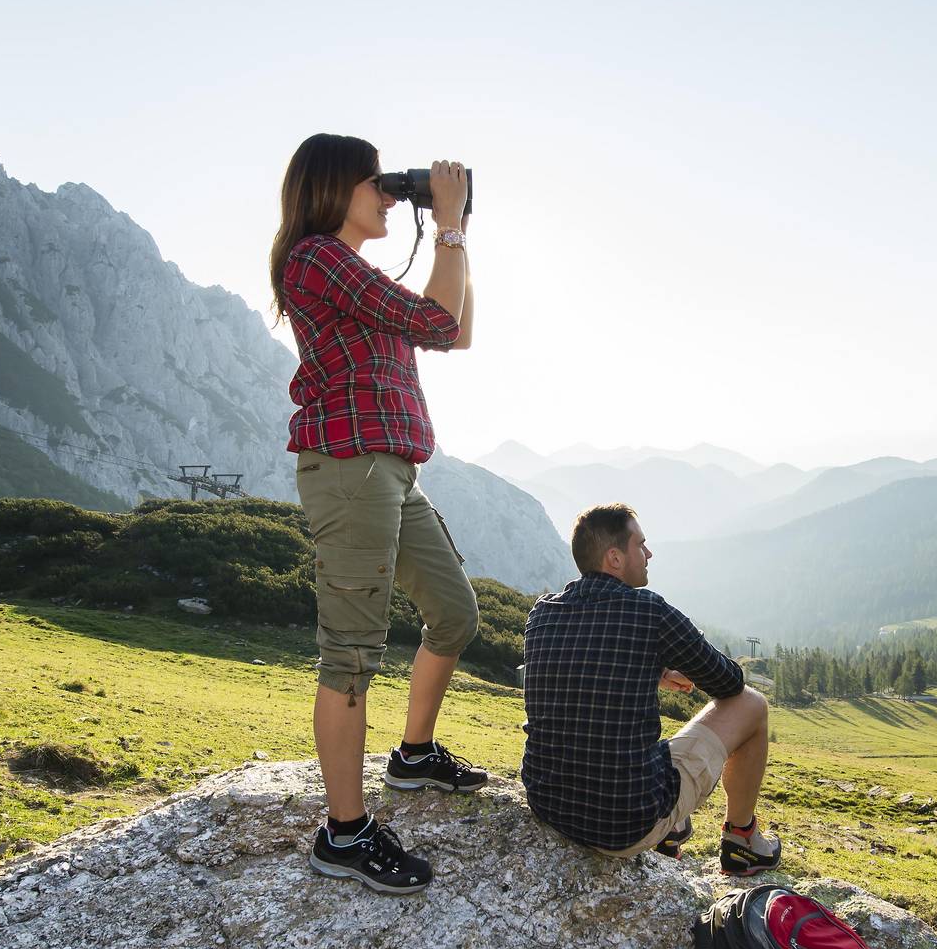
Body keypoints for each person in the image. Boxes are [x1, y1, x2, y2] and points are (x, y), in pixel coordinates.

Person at [269, 133, 485, 894]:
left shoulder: (350, 270)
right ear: (334, 189)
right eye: (379, 183)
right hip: (351, 467)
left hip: (392, 467)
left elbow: (454, 330)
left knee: (455, 614)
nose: (392, 195)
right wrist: (449, 225)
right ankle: (345, 833)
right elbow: (434, 322)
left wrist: (464, 234)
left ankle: (414, 755)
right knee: (352, 653)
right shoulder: (316, 257)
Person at [521, 503, 782, 875]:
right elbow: (728, 683)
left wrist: (653, 668)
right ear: (614, 558)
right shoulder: (650, 612)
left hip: (549, 805)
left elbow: (581, 671)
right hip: (622, 825)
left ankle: (672, 830)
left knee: (625, 745)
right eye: (640, 545)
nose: (648, 553)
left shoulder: (541, 613)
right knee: (752, 704)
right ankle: (742, 842)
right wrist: (669, 654)